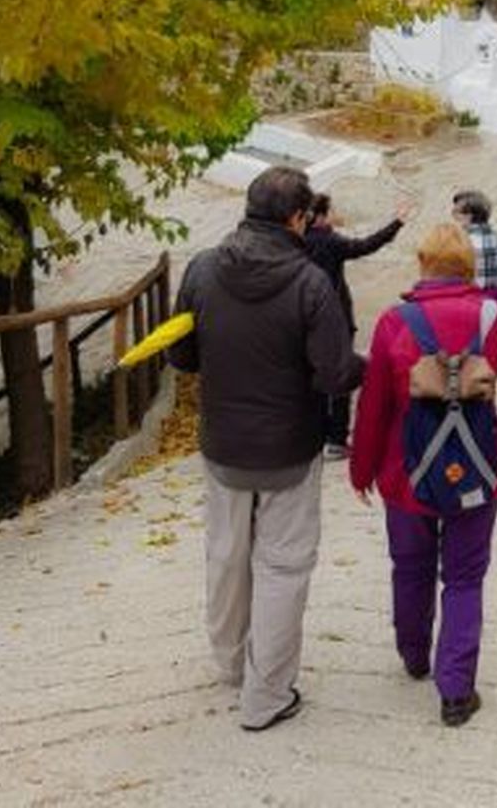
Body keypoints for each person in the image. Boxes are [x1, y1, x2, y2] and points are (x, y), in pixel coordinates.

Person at [169, 167, 366, 732]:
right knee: (283, 565)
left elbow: (181, 356)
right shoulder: (311, 284)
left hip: (223, 444)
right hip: (290, 447)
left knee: (226, 554)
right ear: (298, 218)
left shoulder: (203, 268)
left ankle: (232, 663)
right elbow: (334, 375)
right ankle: (267, 694)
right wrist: (368, 367)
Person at [349, 224, 497, 728]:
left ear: (423, 263)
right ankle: (456, 690)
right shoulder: (492, 317)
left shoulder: (394, 323)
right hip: (476, 462)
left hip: (407, 467)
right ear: (468, 266)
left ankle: (415, 652)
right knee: (465, 576)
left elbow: (376, 402)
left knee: (410, 565)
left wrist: (362, 468)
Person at [304, 192, 417, 458]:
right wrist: (397, 222)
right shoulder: (330, 241)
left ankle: (316, 436)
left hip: (306, 318)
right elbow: (366, 245)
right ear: (320, 216)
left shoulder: (297, 242)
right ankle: (336, 440)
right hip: (335, 318)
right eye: (331, 210)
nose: (335, 213)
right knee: (340, 377)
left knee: (312, 376)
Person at [451, 189, 497, 312]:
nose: (454, 217)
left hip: (472, 309)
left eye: (456, 212)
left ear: (469, 216)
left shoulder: (463, 243)